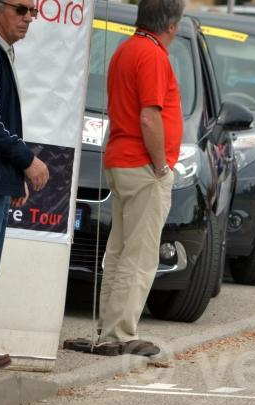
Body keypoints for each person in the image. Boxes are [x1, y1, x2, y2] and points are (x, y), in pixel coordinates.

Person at [96, 0, 185, 356]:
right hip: (143, 164)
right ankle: (120, 333)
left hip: (121, 157)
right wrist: (161, 165)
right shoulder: (152, 55)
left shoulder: (126, 49)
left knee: (119, 251)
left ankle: (107, 328)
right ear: (172, 25)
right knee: (140, 255)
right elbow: (150, 117)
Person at [0, 0, 50, 375]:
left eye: (33, 12)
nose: (29, 19)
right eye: (22, 10)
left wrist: (13, 175)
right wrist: (26, 160)